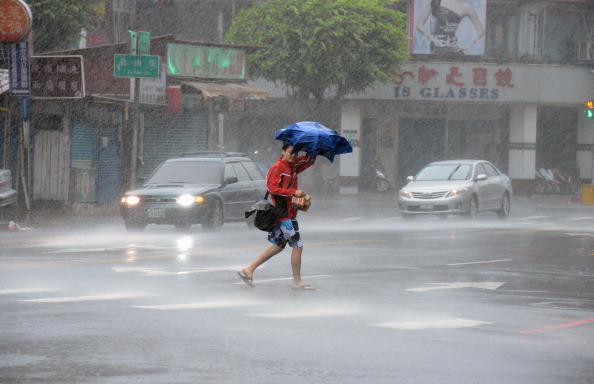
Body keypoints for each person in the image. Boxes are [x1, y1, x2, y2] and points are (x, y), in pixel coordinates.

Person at [238, 142, 317, 290]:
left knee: (279, 245)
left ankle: (249, 269)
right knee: (297, 246)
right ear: (283, 151)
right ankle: (297, 281)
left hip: (289, 213)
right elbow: (272, 188)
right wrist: (293, 192)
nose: (294, 155)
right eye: (291, 152)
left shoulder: (292, 167)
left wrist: (314, 151)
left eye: (296, 153)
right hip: (283, 214)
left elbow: (307, 162)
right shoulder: (278, 168)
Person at [416, 0, 485, 55]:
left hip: (454, 49)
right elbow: (419, 25)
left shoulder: (467, 6)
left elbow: (481, 31)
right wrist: (433, 39)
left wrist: (466, 46)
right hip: (436, 48)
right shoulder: (435, 2)